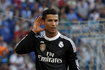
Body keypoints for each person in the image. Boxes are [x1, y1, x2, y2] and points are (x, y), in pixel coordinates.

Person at [15, 8, 80, 70]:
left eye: (56, 20)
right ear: (43, 22)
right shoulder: (37, 41)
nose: (53, 24)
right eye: (50, 20)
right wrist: (33, 31)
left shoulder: (67, 43)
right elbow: (18, 50)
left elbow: (74, 68)